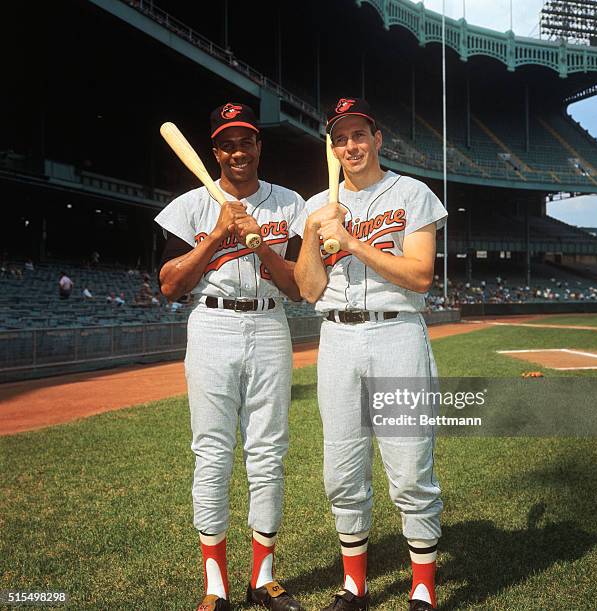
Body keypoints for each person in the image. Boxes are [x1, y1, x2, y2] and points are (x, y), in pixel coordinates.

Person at [294, 98, 448, 611]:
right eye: (340, 139)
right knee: (341, 469)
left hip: (396, 333)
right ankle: (354, 584)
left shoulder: (412, 193)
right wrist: (317, 236)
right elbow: (308, 290)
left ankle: (422, 585)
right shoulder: (319, 205)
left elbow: (421, 275)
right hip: (336, 338)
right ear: (333, 148)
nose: (350, 146)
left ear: (377, 139)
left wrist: (353, 242)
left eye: (358, 135)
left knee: (408, 465)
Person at [155, 102, 305, 611]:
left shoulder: (289, 204)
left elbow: (300, 289)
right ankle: (214, 586)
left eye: (246, 142)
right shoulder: (191, 206)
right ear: (215, 151)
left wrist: (261, 247)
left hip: (269, 322)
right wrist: (219, 233)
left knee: (269, 452)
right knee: (212, 453)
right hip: (212, 323)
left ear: (259, 146)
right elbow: (171, 285)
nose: (238, 151)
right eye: (228, 143)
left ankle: (261, 578)